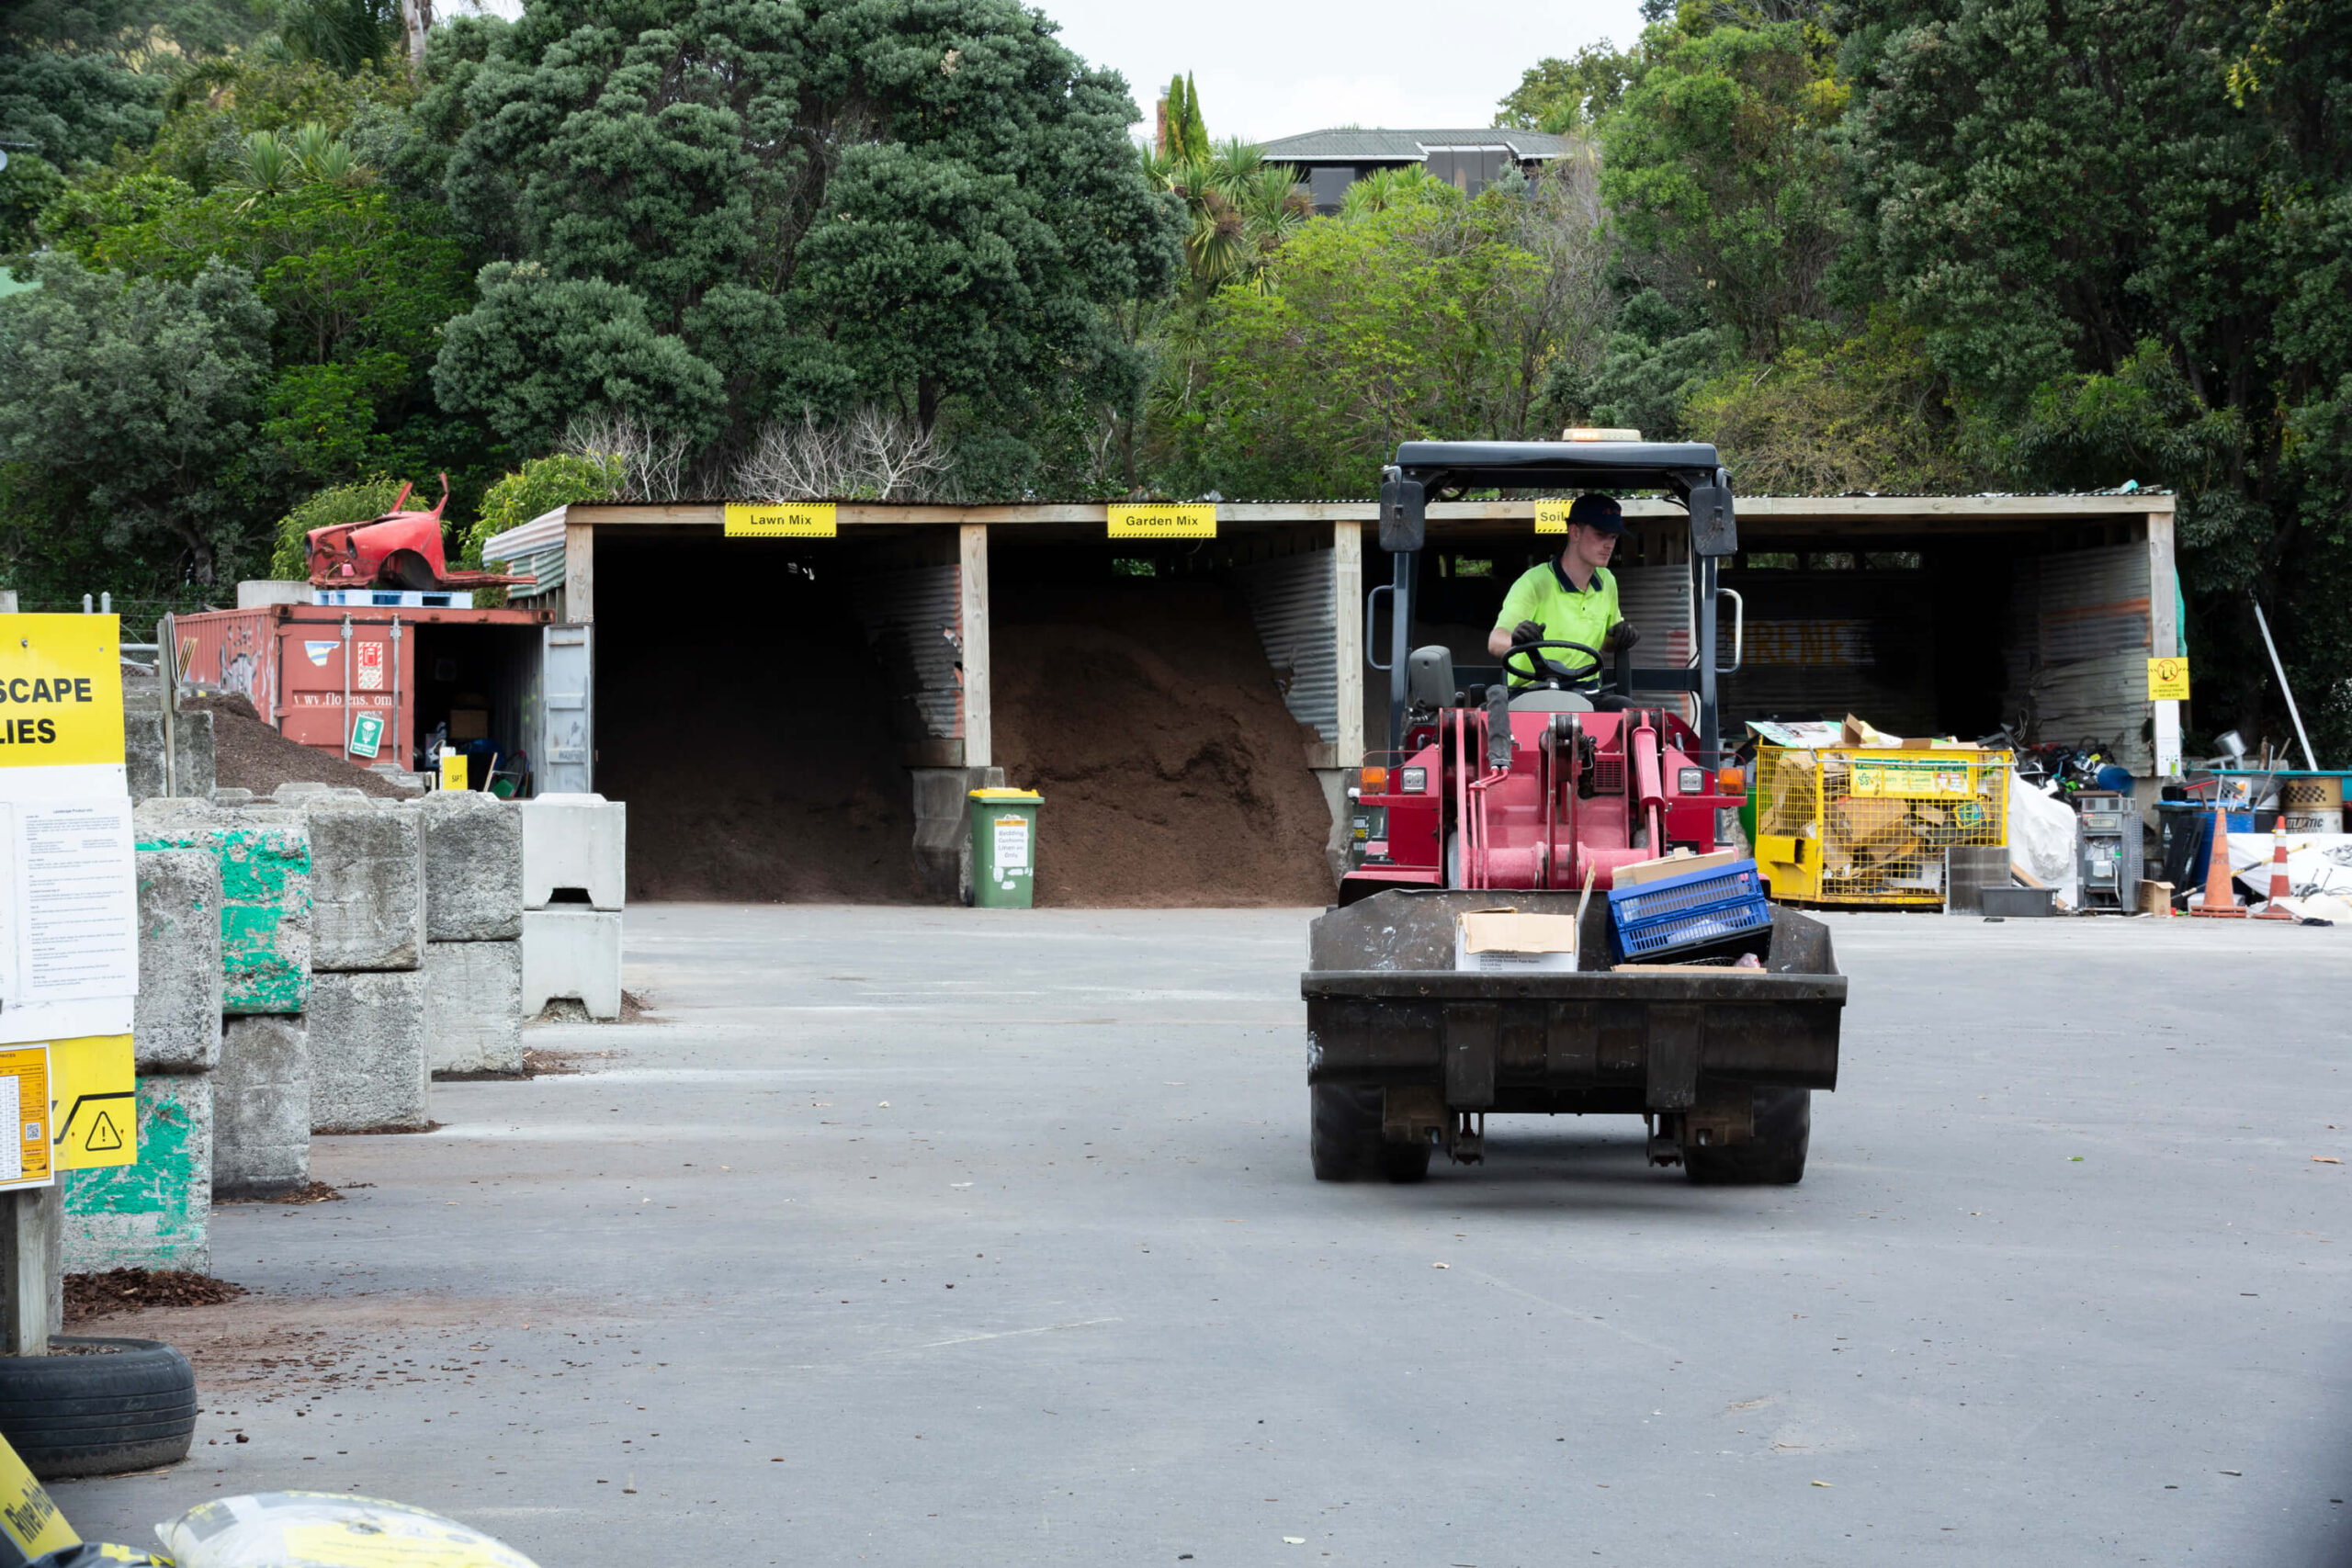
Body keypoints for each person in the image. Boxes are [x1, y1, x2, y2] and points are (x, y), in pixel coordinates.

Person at [1487, 492, 1641, 688]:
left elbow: (1606, 644)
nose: (1609, 545)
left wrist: (1621, 635)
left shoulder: (1607, 581)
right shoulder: (1534, 582)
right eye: (1601, 535)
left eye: (1613, 537)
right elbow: (1495, 642)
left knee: (1629, 712)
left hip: (1586, 692)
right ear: (1575, 532)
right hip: (1533, 692)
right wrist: (1516, 641)